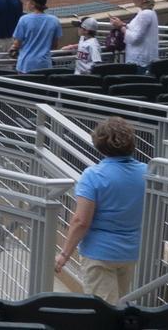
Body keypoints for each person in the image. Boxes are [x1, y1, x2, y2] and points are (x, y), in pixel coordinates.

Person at [57, 118, 149, 302]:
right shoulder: (147, 172)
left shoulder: (93, 176)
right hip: (131, 251)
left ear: (99, 145)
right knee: (122, 309)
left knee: (104, 313)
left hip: (99, 254)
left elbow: (81, 221)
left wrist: (64, 254)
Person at [120, 0, 161, 69]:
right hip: (143, 59)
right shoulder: (147, 12)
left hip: (140, 61)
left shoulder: (145, 14)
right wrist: (123, 24)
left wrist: (121, 27)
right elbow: (136, 29)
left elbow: (135, 38)